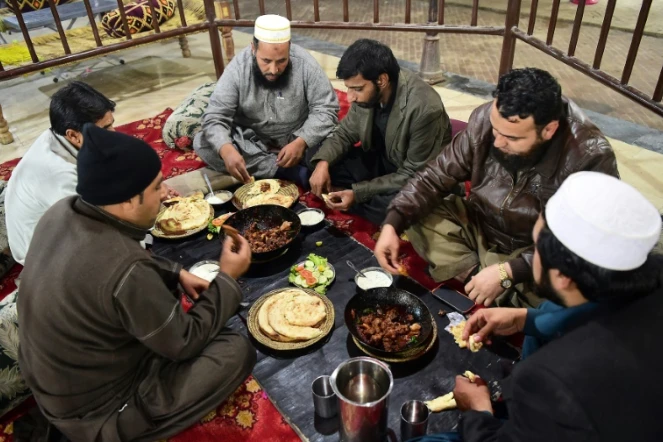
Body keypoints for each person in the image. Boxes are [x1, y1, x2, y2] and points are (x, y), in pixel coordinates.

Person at [17, 125, 256, 441]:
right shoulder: (125, 269)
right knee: (235, 350)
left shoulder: (63, 211)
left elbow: (122, 260)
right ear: (129, 199)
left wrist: (176, 273)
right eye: (157, 189)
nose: (164, 196)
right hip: (97, 411)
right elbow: (183, 343)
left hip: (60, 383)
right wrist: (227, 278)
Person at [443, 171, 662, 442]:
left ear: (563, 276)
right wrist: (525, 319)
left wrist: (478, 411)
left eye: (536, 248)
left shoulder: (553, 381)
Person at [375, 68, 619, 308]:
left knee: (572, 286)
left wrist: (509, 271)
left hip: (533, 251)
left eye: (512, 138)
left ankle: (490, 283)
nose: (498, 142)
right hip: (482, 225)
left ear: (549, 130)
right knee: (419, 212)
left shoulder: (589, 156)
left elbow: (580, 241)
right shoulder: (485, 120)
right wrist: (392, 224)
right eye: (495, 130)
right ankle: (482, 280)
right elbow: (433, 178)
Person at [308, 39, 451, 225]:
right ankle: (359, 197)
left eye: (357, 89)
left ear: (382, 80)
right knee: (315, 153)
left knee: (399, 206)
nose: (350, 97)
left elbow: (413, 174)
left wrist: (358, 193)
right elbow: (345, 133)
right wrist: (323, 164)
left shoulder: (425, 109)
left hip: (415, 177)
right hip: (381, 162)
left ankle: (358, 200)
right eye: (348, 88)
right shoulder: (367, 96)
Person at [194, 14, 339, 186]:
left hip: (297, 138)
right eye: (266, 60)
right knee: (204, 142)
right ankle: (285, 170)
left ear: (289, 49)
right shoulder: (238, 68)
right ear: (253, 49)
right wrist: (226, 150)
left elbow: (327, 109)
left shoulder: (306, 65)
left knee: (334, 143)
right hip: (252, 143)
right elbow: (215, 116)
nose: (274, 69)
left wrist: (302, 141)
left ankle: (279, 167)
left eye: (282, 61)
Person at [5, 81, 115, 265]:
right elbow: (96, 231)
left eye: (111, 124)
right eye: (105, 129)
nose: (114, 133)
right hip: (42, 253)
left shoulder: (60, 133)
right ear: (72, 135)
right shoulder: (59, 174)